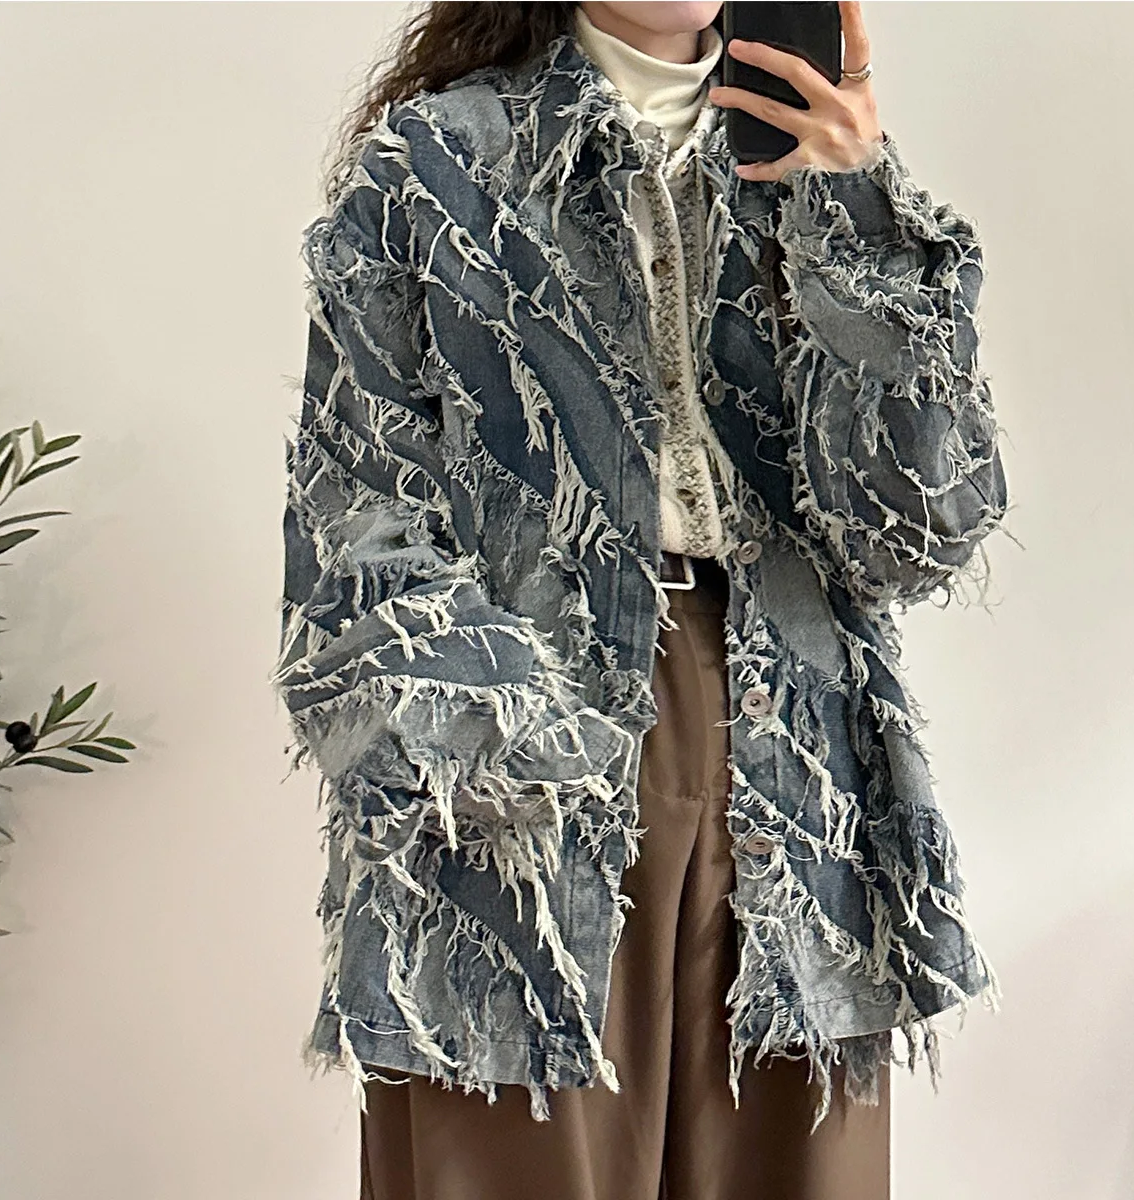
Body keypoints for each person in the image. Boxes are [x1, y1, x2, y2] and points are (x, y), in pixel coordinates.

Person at [271, 2, 1009, 1197]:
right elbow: (352, 533)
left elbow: (919, 532)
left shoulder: (812, 164)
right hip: (517, 764)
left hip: (797, 766)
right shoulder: (435, 167)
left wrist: (857, 219)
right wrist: (527, 754)